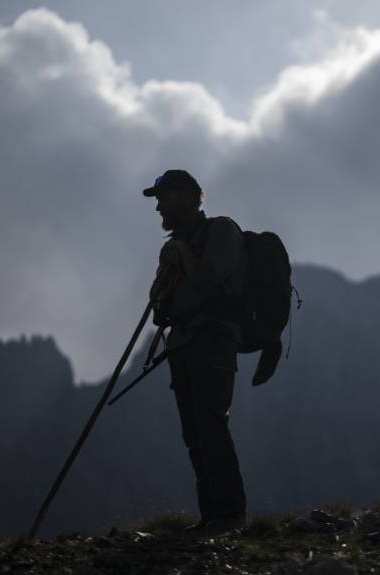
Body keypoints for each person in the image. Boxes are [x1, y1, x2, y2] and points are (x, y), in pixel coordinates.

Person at [143, 169, 247, 533]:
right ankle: (211, 516)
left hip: (213, 340)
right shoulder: (174, 245)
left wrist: (182, 253)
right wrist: (164, 274)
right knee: (195, 435)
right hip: (183, 344)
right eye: (158, 200)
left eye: (165, 198)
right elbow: (159, 306)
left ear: (190, 196)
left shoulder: (221, 231)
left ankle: (230, 515)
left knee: (211, 425)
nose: (159, 208)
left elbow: (206, 280)